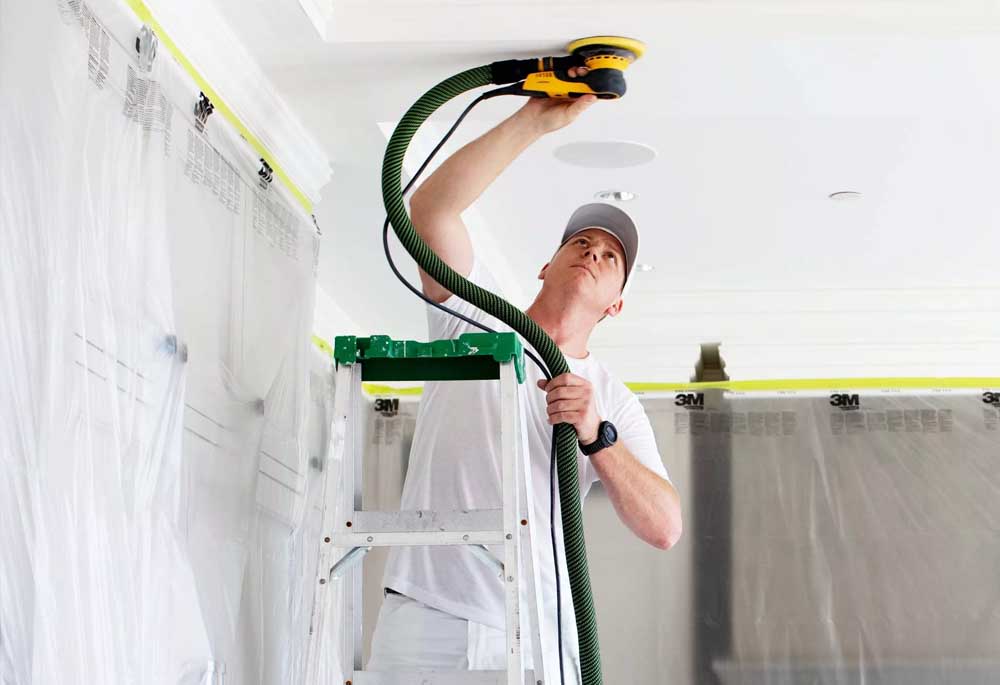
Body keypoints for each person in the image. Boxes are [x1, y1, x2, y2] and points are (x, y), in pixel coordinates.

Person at [367, 70, 683, 682]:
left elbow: (666, 526)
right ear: (545, 265)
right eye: (582, 241)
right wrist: (537, 119)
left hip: (534, 624)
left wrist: (597, 435)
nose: (593, 251)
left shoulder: (613, 398)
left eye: (610, 255)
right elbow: (429, 211)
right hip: (424, 614)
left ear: (617, 302)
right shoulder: (472, 322)